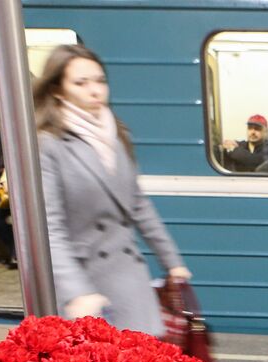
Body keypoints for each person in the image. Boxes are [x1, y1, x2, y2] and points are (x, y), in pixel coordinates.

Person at [33, 44, 190, 336]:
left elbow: (137, 203)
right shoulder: (49, 144)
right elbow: (50, 229)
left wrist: (172, 262)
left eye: (100, 80)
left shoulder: (115, 134)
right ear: (57, 90)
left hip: (128, 274)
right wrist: (77, 292)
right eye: (81, 83)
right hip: (86, 284)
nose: (95, 90)